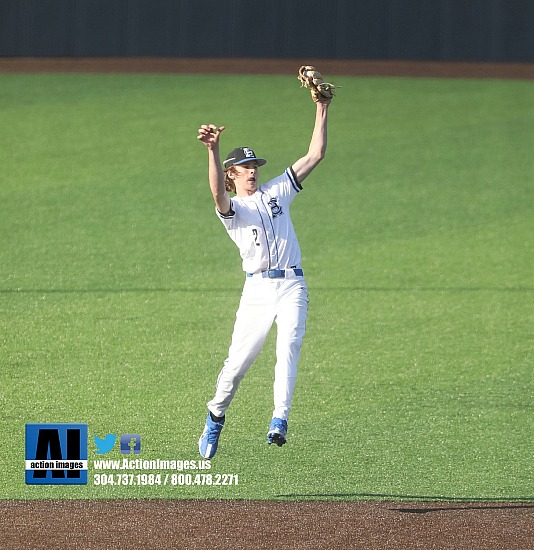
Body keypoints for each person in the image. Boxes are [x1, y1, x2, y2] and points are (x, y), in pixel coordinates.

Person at [196, 96, 330, 459]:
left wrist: (322, 107)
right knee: (238, 363)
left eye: (254, 165)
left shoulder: (277, 192)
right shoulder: (234, 210)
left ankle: (279, 418)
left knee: (289, 344)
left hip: (292, 285)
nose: (253, 171)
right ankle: (216, 415)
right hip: (257, 291)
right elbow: (216, 194)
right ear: (232, 174)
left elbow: (315, 154)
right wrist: (214, 149)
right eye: (245, 167)